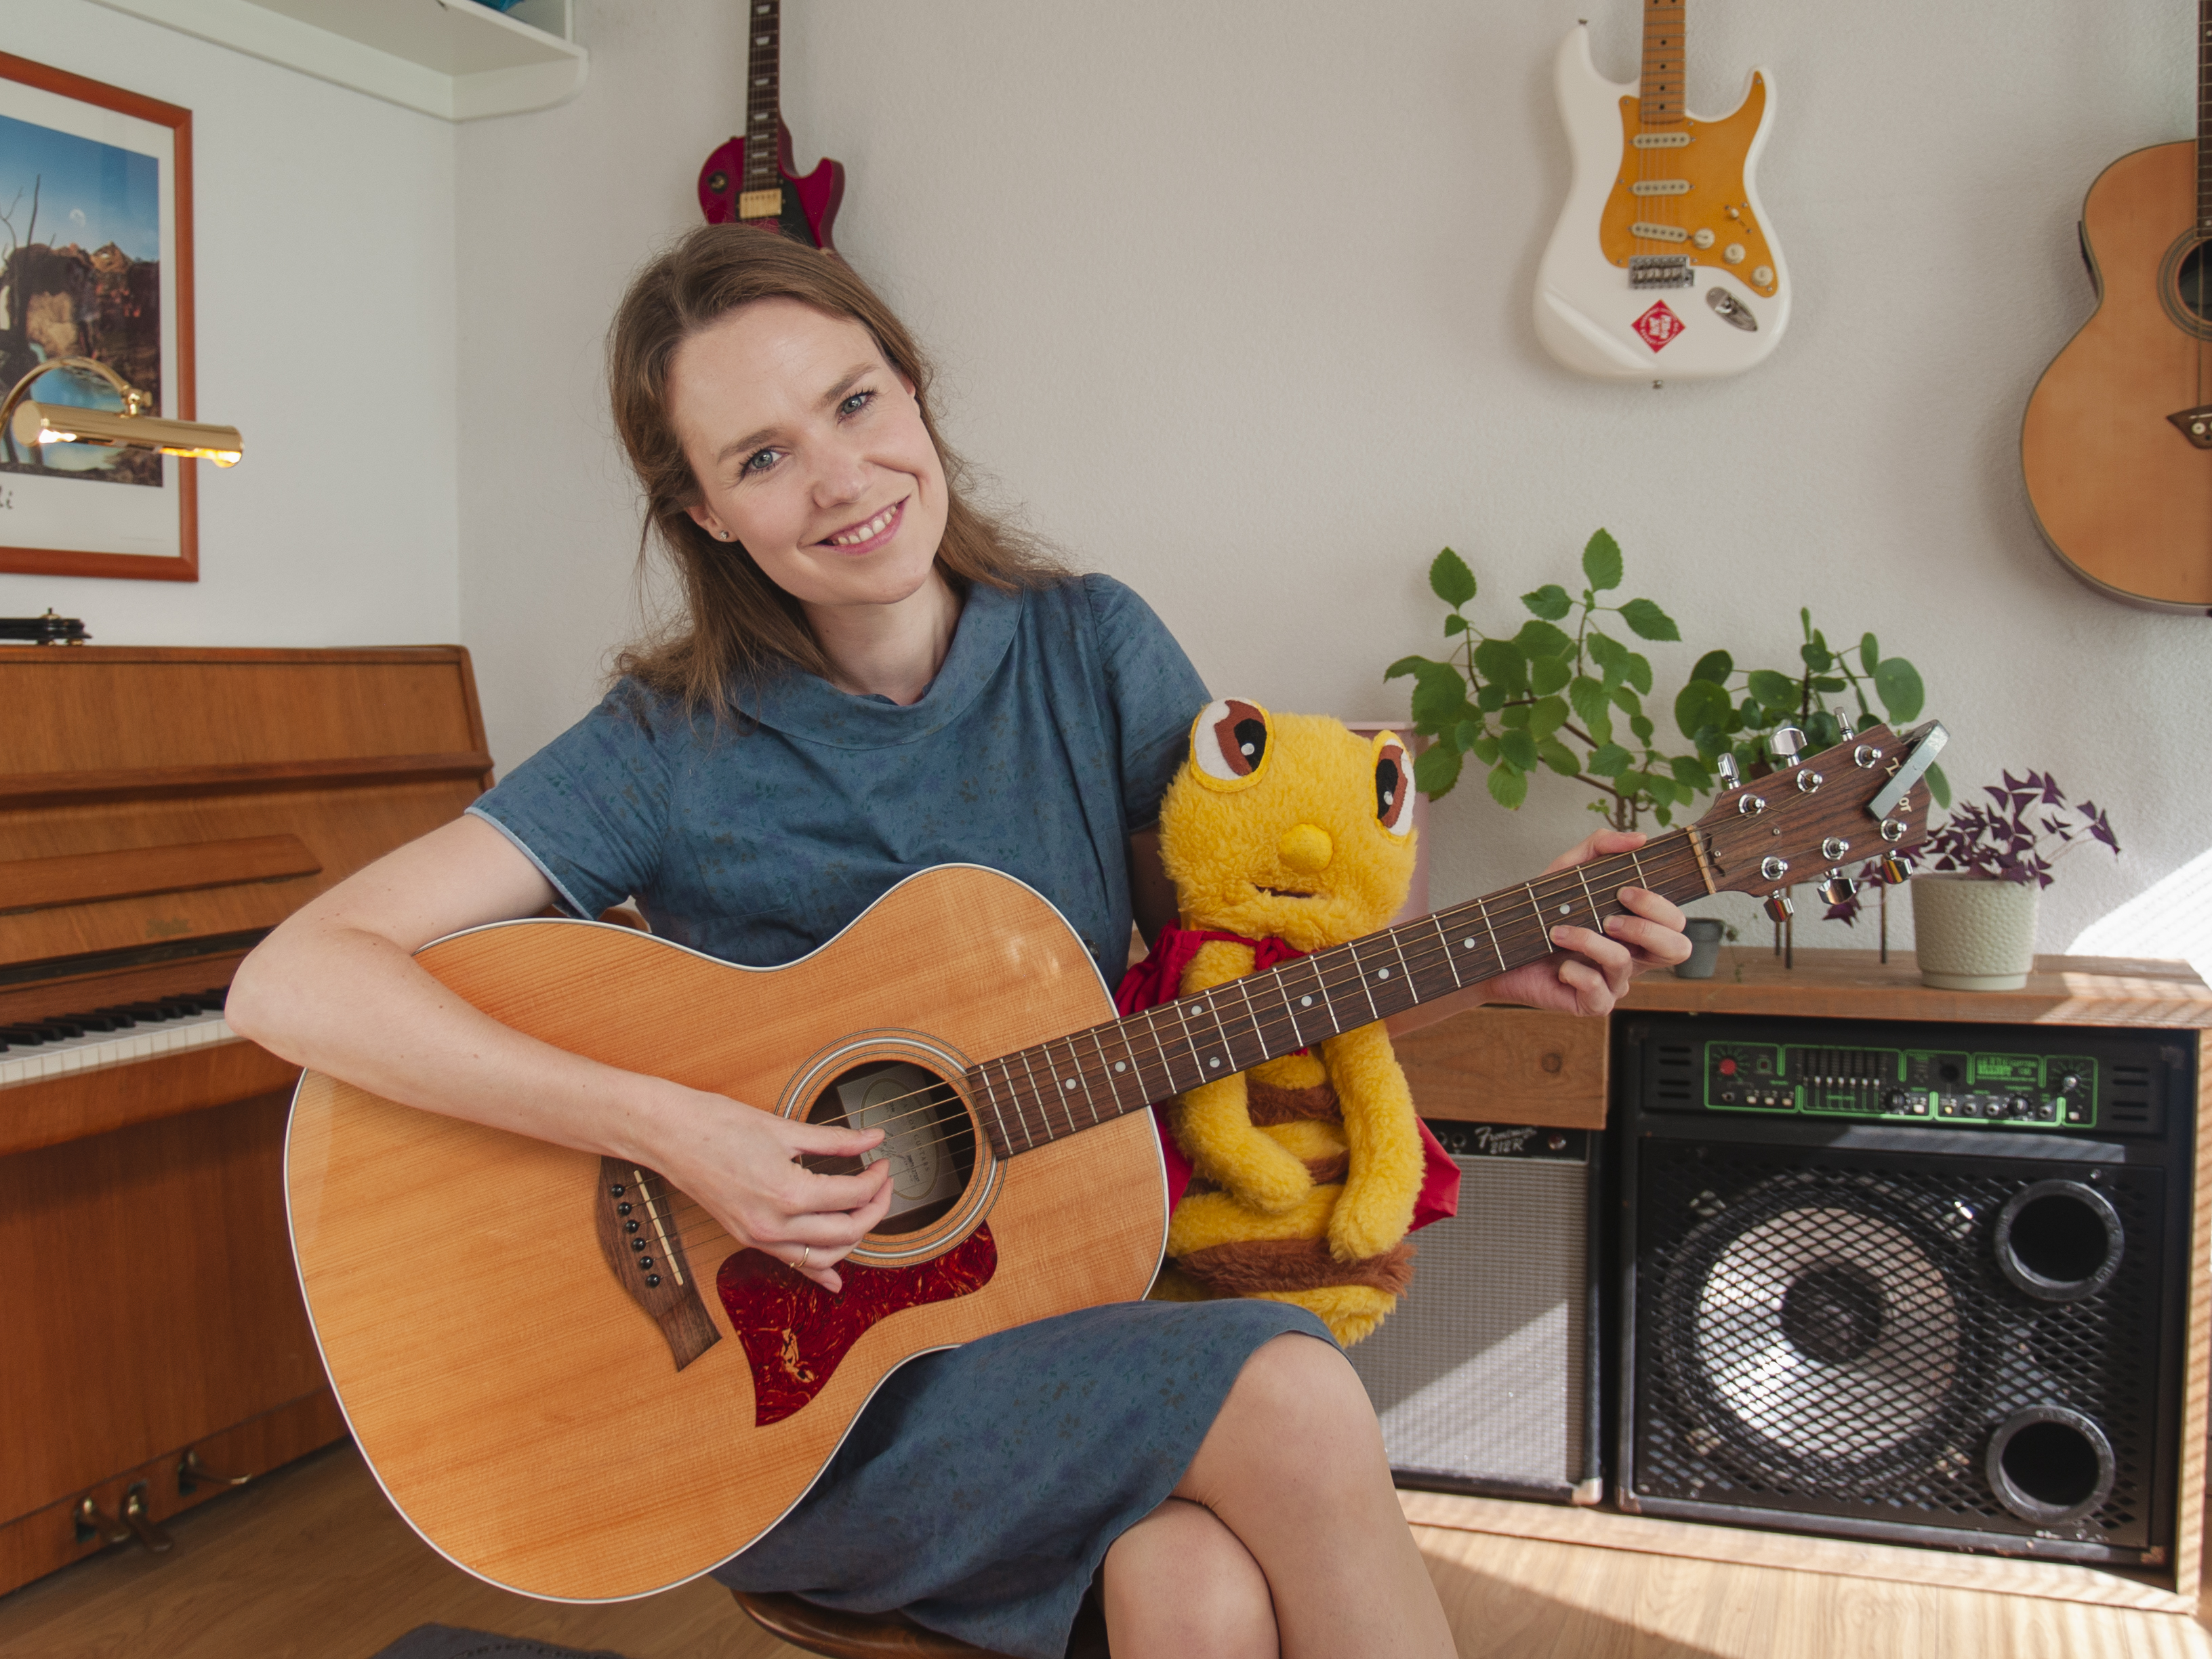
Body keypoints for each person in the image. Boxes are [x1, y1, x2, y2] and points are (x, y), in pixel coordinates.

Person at [227, 226, 1690, 1659]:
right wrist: (677, 1132)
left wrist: (1476, 968)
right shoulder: (662, 747)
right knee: (1291, 1394)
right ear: (705, 516)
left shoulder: (1092, 649)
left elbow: (1211, 1018)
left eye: (856, 403)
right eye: (762, 457)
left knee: (1200, 1590)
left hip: (1053, 1316)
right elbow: (293, 978)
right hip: (782, 1399)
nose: (842, 478)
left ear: (916, 393)